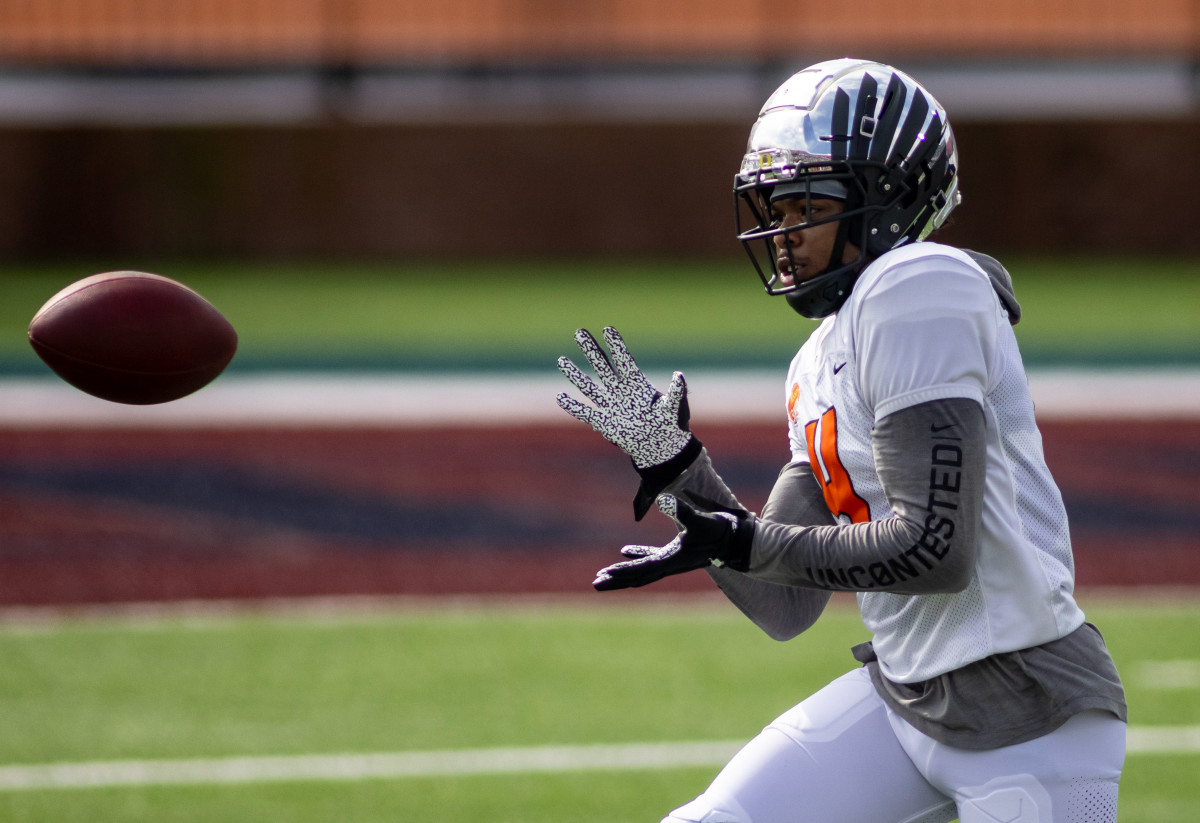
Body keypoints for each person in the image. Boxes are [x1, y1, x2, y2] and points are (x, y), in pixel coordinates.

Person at [556, 58, 1127, 823]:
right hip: (908, 700)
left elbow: (936, 550)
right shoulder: (823, 353)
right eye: (776, 208)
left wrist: (748, 539)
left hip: (1029, 715)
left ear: (885, 200)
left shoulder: (918, 285)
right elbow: (783, 602)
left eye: (805, 206)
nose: (783, 232)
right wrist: (677, 468)